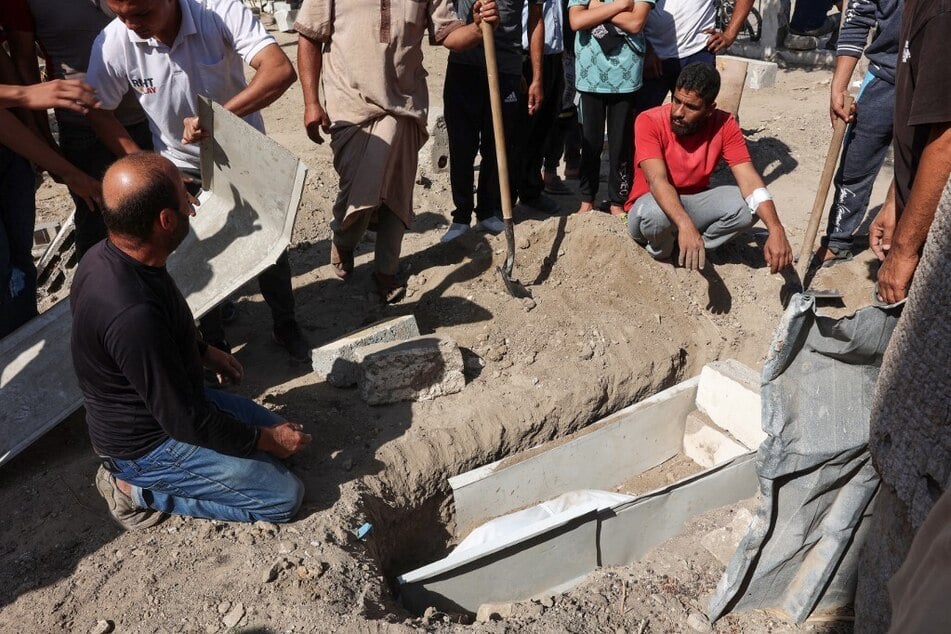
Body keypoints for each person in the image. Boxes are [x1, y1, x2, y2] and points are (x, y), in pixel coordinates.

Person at [71, 152, 310, 529]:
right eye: (186, 199)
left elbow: (163, 339)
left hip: (175, 402)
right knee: (282, 495)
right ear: (166, 221)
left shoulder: (111, 254)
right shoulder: (131, 312)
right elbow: (185, 422)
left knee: (283, 438)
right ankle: (130, 489)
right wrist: (263, 440)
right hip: (147, 444)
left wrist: (202, 352)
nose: (193, 205)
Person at [84, 0, 311, 360]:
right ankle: (213, 341)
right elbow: (97, 108)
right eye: (120, 15)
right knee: (192, 255)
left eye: (141, 13)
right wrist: (146, 165)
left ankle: (285, 324)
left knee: (271, 248)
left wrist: (217, 116)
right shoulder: (114, 41)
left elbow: (279, 70)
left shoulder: (218, 11)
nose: (130, 25)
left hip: (242, 153)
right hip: (177, 168)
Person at [295, 0, 500, 302]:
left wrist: (479, 26)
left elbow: (449, 35)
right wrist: (311, 102)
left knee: (397, 192)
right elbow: (309, 36)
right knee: (359, 190)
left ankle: (386, 271)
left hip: (404, 106)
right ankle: (344, 236)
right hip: (350, 106)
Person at [5, 0, 154, 257]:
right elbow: (23, 63)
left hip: (149, 114)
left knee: (157, 218)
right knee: (101, 227)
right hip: (84, 130)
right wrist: (43, 140)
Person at [625, 63, 792, 272]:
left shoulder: (725, 124)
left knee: (749, 206)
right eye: (676, 100)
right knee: (655, 214)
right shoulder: (648, 120)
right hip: (649, 206)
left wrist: (776, 229)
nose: (678, 112)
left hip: (692, 205)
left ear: (709, 110)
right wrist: (685, 225)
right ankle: (662, 253)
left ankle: (694, 248)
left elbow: (749, 179)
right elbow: (657, 181)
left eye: (691, 107)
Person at [0, 71, 102, 337]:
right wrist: (23, 94)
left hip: (8, 157)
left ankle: (24, 340)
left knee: (19, 262)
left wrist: (66, 171)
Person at [440, 0, 544, 243]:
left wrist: (536, 76)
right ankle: (461, 215)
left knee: (497, 145)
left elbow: (536, 19)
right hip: (464, 63)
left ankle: (488, 210)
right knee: (462, 145)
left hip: (506, 67)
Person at [871, 0, 951, 304]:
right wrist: (895, 198)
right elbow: (923, 125)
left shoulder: (943, 13)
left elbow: (946, 140)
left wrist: (903, 250)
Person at [815, 0, 901, 266]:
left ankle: (903, 247)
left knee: (919, 169)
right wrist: (838, 86)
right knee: (855, 161)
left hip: (935, 82)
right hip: (883, 76)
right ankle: (838, 239)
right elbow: (857, 17)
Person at [568, 0, 653, 217]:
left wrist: (595, 9)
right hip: (590, 75)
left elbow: (635, 23)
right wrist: (622, 5)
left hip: (626, 75)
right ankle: (587, 199)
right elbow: (577, 20)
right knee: (590, 142)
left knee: (621, 144)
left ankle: (618, 201)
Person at [636, 0, 755, 111]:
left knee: (693, 117)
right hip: (651, 55)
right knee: (641, 118)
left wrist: (730, 34)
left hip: (697, 52)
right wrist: (644, 47)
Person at [514, 0, 566, 213]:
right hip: (524, 58)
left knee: (543, 127)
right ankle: (503, 197)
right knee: (519, 130)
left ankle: (531, 190)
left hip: (553, 57)